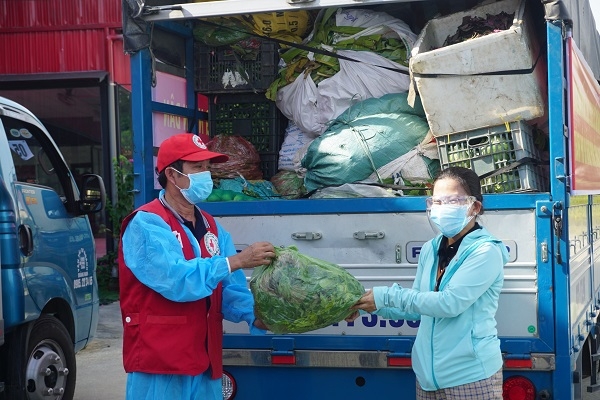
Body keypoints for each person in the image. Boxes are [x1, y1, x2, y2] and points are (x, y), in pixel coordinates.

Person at [118, 133, 276, 400]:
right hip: (160, 362)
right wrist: (236, 260)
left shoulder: (213, 227)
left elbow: (229, 289)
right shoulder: (146, 224)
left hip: (204, 360)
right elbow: (176, 279)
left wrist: (258, 315)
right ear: (173, 175)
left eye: (208, 168)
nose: (207, 175)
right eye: (198, 168)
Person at [348, 166, 508, 399]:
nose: (442, 209)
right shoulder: (431, 249)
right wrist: (366, 306)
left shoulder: (485, 252)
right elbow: (419, 307)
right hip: (427, 378)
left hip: (471, 376)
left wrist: (384, 295)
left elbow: (449, 304)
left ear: (474, 207)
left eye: (452, 201)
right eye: (437, 202)